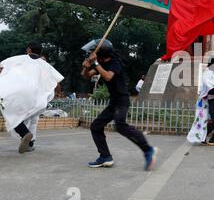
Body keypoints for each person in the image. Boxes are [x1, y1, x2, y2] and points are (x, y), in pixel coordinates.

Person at [81, 39, 157, 170]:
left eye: (93, 52)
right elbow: (85, 75)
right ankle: (105, 156)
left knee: (120, 125)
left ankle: (148, 149)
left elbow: (108, 76)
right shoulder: (101, 63)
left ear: (102, 53)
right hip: (114, 102)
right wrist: (86, 66)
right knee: (96, 126)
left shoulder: (115, 62)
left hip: (122, 101)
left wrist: (96, 63)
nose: (91, 53)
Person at [0, 42, 64, 154]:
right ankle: (30, 143)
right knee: (32, 120)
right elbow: (57, 82)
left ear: (29, 50)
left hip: (18, 92)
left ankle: (24, 134)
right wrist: (58, 93)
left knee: (11, 113)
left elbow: (1, 68)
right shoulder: (45, 65)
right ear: (40, 52)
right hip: (37, 98)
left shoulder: (17, 59)